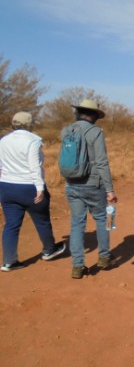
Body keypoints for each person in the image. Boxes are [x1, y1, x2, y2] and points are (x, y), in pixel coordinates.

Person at [0, 112, 66, 271]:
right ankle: (49, 250)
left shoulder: (3, 140)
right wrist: (40, 188)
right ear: (30, 124)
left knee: (11, 224)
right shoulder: (33, 140)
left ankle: (9, 261)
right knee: (42, 220)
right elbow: (34, 166)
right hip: (28, 187)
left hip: (6, 186)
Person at [61, 100, 118, 279]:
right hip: (93, 185)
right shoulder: (95, 132)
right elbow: (101, 162)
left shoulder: (66, 130)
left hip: (71, 183)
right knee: (102, 219)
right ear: (94, 115)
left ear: (78, 112)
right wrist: (110, 189)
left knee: (77, 224)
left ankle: (77, 266)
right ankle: (104, 257)